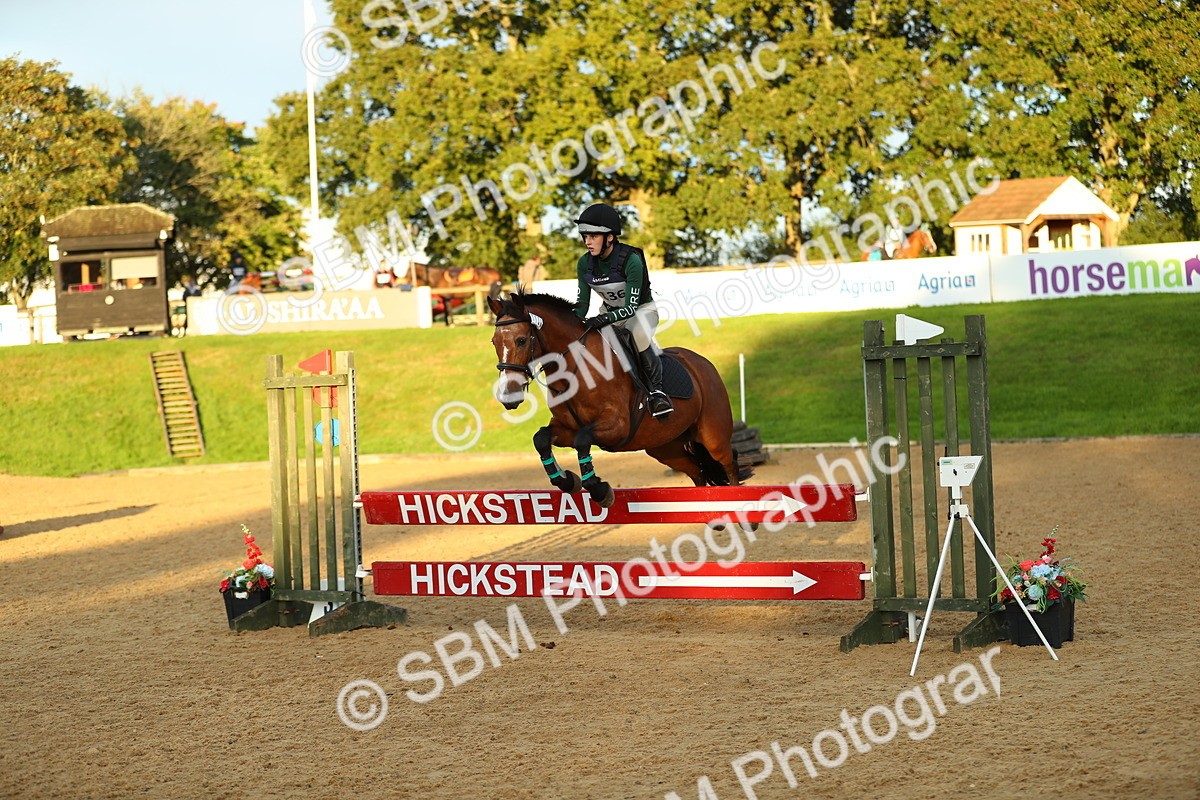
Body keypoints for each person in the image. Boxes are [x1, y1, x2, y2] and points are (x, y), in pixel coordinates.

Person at [572, 203, 673, 417]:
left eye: (593, 236)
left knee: (636, 335)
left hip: (642, 311)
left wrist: (603, 319)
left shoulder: (631, 261)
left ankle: (657, 392)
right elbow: (582, 305)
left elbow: (630, 308)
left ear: (609, 237)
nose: (587, 242)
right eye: (585, 237)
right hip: (609, 312)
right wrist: (570, 322)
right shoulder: (584, 264)